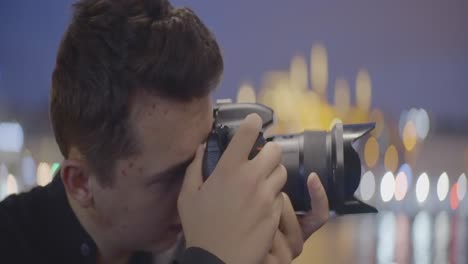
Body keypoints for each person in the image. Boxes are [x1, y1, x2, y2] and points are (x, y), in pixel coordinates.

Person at [0, 0, 329, 263]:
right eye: (172, 176)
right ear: (82, 182)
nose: (197, 191)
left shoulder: (194, 238)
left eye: (205, 156)